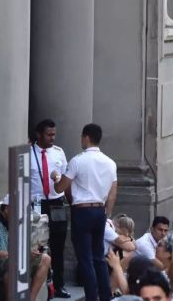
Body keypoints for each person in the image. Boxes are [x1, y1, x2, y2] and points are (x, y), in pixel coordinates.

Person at [53, 123, 118, 301]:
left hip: (81, 211)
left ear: (86, 137)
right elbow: (112, 194)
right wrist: (108, 215)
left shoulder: (77, 161)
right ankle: (105, 296)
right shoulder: (110, 163)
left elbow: (60, 188)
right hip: (100, 210)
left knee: (85, 258)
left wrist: (55, 178)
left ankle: (91, 297)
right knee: (99, 257)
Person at [0, 195, 51, 301]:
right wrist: (24, 254)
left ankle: (31, 299)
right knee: (14, 263)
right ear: (6, 208)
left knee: (45, 259)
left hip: (7, 258)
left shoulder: (12, 222)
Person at [29, 119, 70, 298]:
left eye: (54, 134)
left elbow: (67, 181)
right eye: (49, 134)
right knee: (37, 244)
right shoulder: (28, 153)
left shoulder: (59, 153)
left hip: (56, 202)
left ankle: (59, 285)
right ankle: (41, 285)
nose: (52, 138)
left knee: (58, 244)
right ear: (39, 134)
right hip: (36, 202)